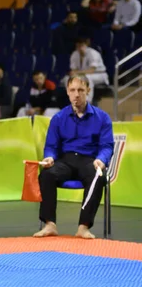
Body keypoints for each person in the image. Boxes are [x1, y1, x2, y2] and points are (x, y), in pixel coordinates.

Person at [35, 76, 114, 240]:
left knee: (97, 177)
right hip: (66, 160)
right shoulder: (58, 118)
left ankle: (83, 227)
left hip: (89, 160)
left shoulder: (102, 118)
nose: (76, 94)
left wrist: (101, 160)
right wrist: (49, 158)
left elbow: (107, 146)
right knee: (46, 175)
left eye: (81, 90)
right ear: (67, 92)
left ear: (88, 91)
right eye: (72, 90)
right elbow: (51, 146)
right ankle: (50, 224)